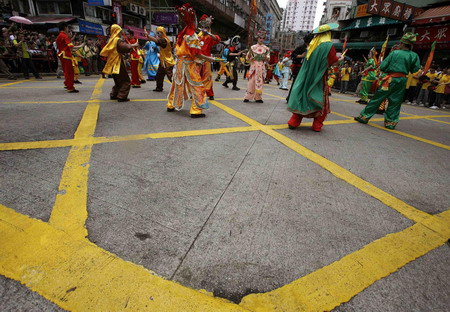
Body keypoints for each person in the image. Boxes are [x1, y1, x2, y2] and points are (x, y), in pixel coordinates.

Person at [354, 33, 420, 129]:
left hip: (389, 79)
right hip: (402, 80)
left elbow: (383, 66)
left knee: (378, 98)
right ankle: (390, 123)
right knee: (395, 101)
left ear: (402, 43)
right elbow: (414, 70)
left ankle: (364, 117)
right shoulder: (414, 55)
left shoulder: (394, 53)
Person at [287, 23, 343, 132]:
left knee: (302, 96)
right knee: (321, 99)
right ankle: (317, 125)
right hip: (319, 77)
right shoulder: (328, 46)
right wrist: (340, 59)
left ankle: (293, 122)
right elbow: (332, 61)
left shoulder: (312, 44)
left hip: (305, 76)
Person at [166, 3, 215, 118]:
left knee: (177, 84)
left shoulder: (182, 34)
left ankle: (171, 104)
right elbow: (196, 53)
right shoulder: (191, 35)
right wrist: (209, 58)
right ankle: (196, 110)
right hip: (189, 64)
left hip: (179, 63)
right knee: (196, 85)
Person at [100, 24, 139, 102]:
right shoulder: (117, 40)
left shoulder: (111, 39)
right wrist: (134, 45)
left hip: (112, 62)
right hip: (118, 62)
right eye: (120, 31)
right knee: (125, 80)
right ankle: (122, 96)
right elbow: (126, 47)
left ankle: (114, 94)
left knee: (118, 81)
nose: (121, 33)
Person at [145, 26, 175, 92]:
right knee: (159, 75)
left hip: (167, 61)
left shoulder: (164, 40)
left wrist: (148, 36)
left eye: (159, 33)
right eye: (157, 33)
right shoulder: (164, 39)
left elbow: (157, 40)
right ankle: (159, 87)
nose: (158, 35)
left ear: (162, 33)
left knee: (170, 76)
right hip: (163, 61)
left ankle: (178, 87)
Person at [243, 30, 270, 103]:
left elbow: (268, 58)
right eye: (260, 38)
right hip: (254, 66)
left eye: (263, 38)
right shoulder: (252, 47)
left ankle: (258, 97)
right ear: (257, 38)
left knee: (260, 82)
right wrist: (249, 57)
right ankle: (248, 96)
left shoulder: (266, 48)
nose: (261, 39)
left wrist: (265, 58)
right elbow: (247, 58)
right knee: (251, 82)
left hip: (261, 66)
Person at [198, 14, 220, 100]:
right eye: (204, 28)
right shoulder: (198, 37)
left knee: (207, 77)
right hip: (197, 60)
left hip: (206, 60)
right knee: (196, 76)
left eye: (207, 28)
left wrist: (209, 34)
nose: (205, 29)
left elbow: (217, 39)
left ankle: (210, 93)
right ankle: (196, 92)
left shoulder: (209, 37)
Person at [56, 23, 82, 92]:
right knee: (69, 72)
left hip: (63, 55)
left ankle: (67, 84)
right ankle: (70, 87)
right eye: (67, 28)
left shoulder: (60, 35)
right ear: (65, 28)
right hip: (66, 55)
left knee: (66, 71)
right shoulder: (64, 35)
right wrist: (80, 46)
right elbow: (70, 46)